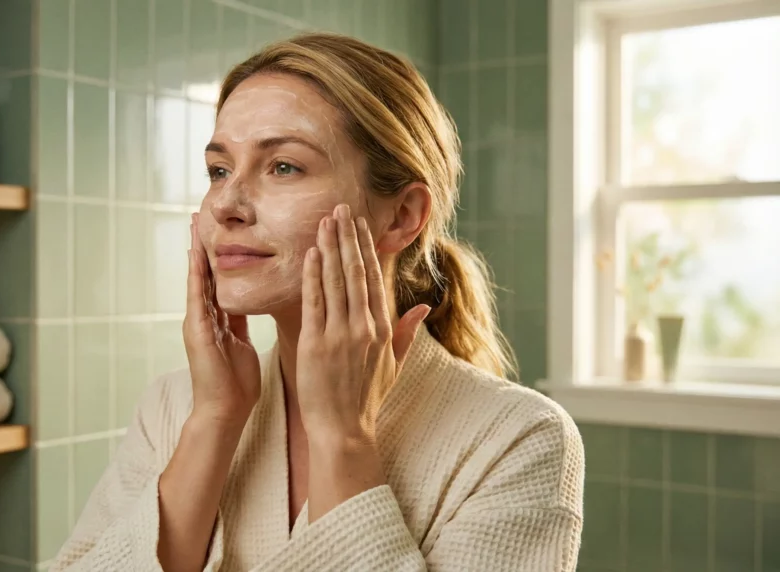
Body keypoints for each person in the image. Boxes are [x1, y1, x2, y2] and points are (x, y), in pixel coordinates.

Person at [51, 33, 584, 572]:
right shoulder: (173, 408)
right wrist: (213, 421)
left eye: (283, 166)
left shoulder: (517, 440)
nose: (226, 205)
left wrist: (343, 440)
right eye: (219, 170)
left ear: (401, 215)